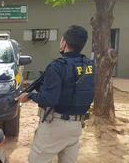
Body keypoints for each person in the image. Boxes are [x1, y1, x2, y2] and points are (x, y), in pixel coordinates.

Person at [16, 25, 95, 163]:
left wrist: (29, 96)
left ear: (64, 43)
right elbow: (73, 90)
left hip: (56, 124)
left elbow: (49, 99)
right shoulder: (89, 65)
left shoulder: (57, 66)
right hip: (76, 125)